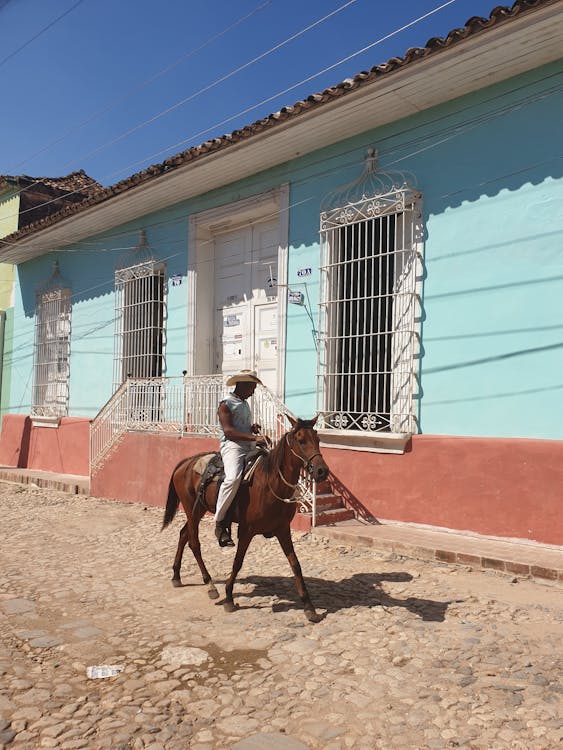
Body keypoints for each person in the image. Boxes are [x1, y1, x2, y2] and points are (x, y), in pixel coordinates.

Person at [215, 369, 268, 547]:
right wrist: (254, 438)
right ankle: (220, 522)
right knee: (232, 479)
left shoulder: (244, 403)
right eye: (252, 387)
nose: (253, 392)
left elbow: (241, 426)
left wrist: (252, 428)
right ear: (243, 385)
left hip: (248, 445)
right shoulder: (225, 405)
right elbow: (229, 431)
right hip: (233, 447)